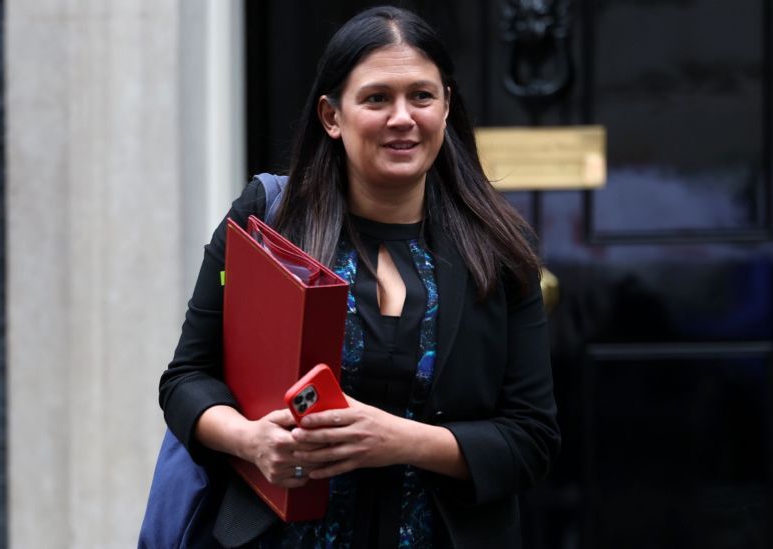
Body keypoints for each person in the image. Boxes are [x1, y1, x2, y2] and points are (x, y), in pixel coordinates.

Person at [158, 6, 560, 548]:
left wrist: (403, 441)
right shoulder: (267, 221)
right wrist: (250, 440)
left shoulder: (498, 248)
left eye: (422, 95)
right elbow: (186, 379)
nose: (403, 117)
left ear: (446, 107)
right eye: (377, 98)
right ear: (331, 116)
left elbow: (531, 440)